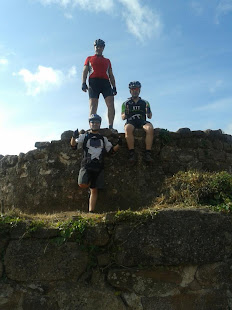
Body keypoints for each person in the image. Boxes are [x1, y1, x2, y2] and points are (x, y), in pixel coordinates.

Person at [70, 114, 121, 212]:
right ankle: (89, 184)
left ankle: (91, 211)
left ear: (100, 124)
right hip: (87, 165)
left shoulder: (103, 139)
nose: (94, 124)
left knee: (94, 189)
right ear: (89, 124)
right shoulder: (84, 136)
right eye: (92, 122)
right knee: (82, 183)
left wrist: (119, 144)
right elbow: (73, 146)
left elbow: (111, 152)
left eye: (97, 122)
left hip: (99, 166)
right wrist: (73, 137)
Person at [82, 39, 117, 132]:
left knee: (110, 104)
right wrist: (83, 82)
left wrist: (114, 86)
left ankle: (110, 126)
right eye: (97, 46)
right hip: (94, 82)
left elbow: (111, 74)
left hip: (105, 82)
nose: (98, 48)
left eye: (100, 47)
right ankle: (92, 127)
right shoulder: (89, 58)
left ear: (103, 48)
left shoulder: (107, 60)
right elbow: (85, 71)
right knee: (93, 105)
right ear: (94, 47)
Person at [121, 81, 154, 163]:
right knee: (128, 129)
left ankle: (148, 153)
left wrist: (148, 111)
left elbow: (149, 116)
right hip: (131, 121)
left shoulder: (145, 102)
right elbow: (122, 117)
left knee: (150, 128)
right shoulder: (126, 103)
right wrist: (126, 113)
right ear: (130, 91)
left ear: (139, 90)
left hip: (142, 120)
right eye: (133, 89)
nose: (134, 91)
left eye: (136, 89)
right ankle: (132, 153)